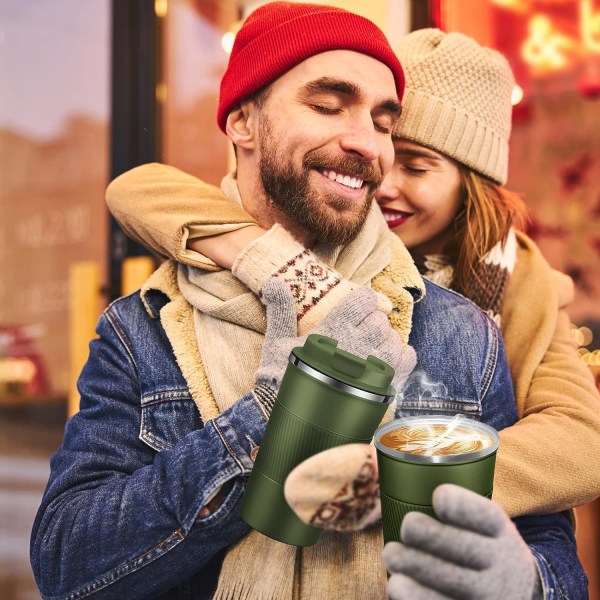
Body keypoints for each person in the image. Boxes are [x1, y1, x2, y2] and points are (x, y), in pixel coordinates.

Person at [32, 5, 587, 600]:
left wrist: (526, 581)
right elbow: (69, 565)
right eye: (326, 106)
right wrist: (272, 413)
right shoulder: (144, 326)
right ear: (242, 123)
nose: (370, 147)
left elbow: (563, 513)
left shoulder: (463, 326)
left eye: (383, 123)